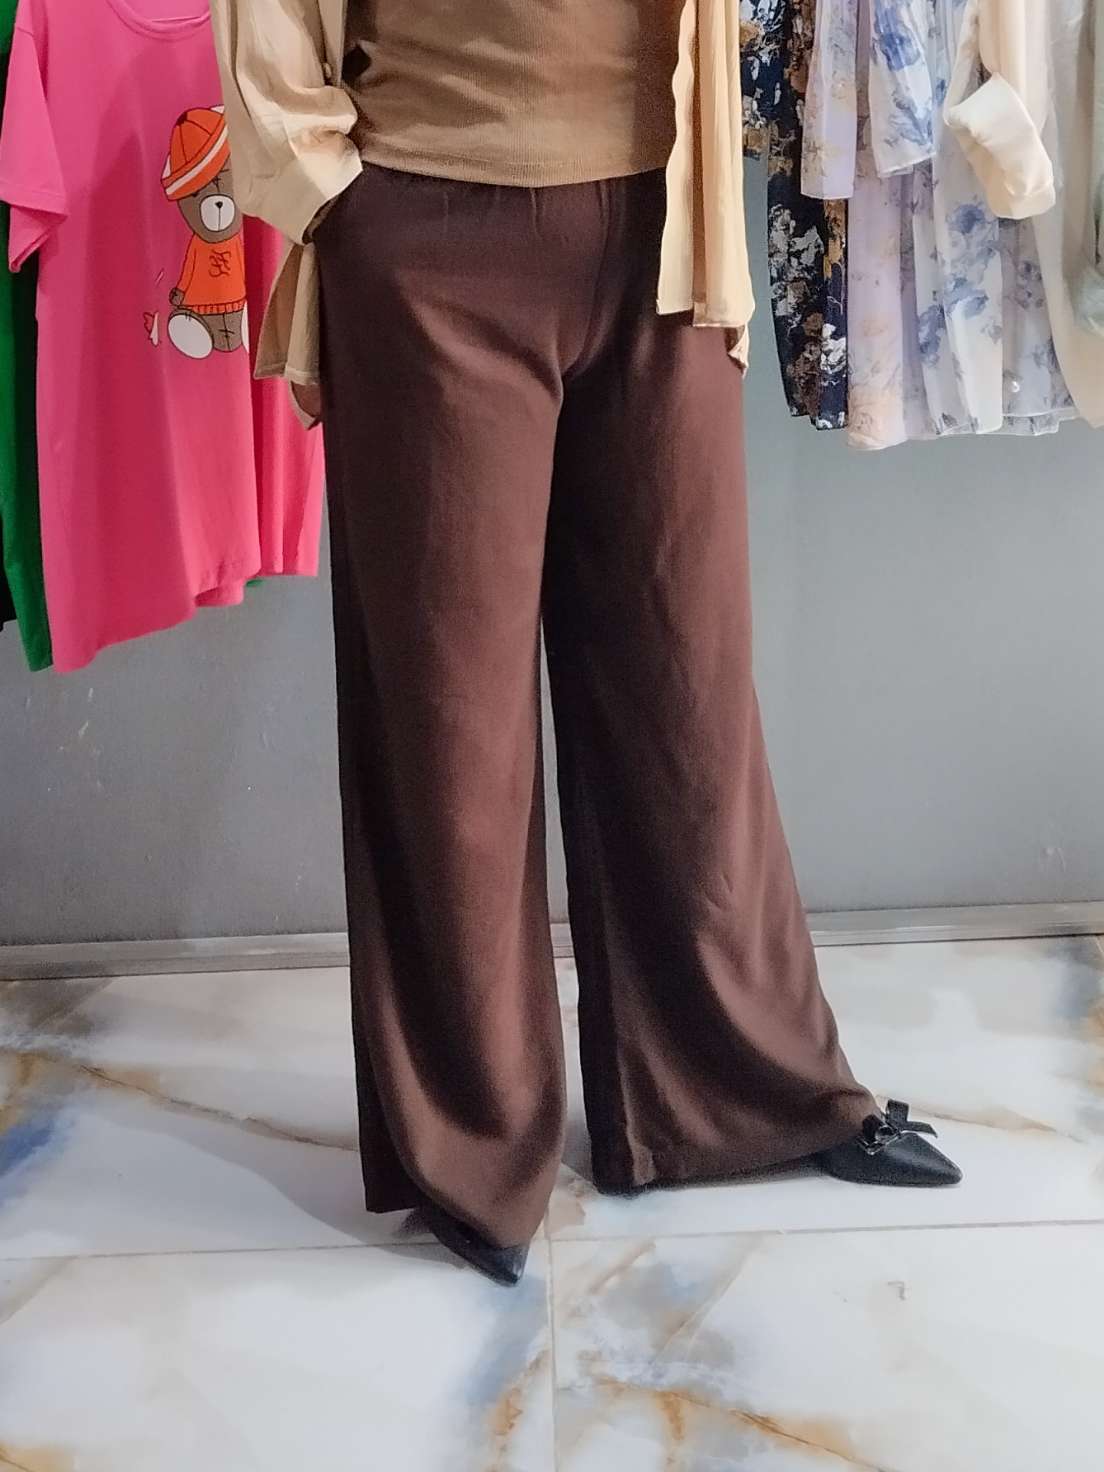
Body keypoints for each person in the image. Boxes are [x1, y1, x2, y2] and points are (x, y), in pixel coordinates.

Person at [210, 0, 962, 1287]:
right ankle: (469, 1140)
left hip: (666, 221)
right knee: (450, 722)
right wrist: (341, 202)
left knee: (687, 697)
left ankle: (738, 1088)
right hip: (427, 229)